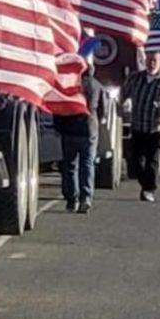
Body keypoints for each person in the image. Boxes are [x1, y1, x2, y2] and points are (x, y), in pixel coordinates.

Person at [123, 51, 160, 203]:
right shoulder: (136, 78)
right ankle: (144, 184)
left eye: (155, 60)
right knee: (136, 162)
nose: (151, 63)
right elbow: (123, 94)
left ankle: (149, 189)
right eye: (149, 60)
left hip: (156, 128)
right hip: (138, 126)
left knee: (152, 162)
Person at [54, 60, 106, 214]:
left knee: (70, 165)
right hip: (89, 129)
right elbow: (102, 111)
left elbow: (60, 106)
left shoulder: (69, 86)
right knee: (87, 164)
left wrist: (58, 126)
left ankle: (71, 199)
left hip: (69, 128)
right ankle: (86, 197)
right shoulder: (97, 86)